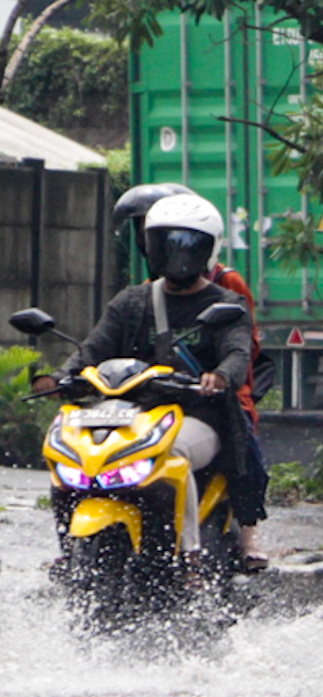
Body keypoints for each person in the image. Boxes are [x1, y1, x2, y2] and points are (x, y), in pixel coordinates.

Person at [35, 194, 255, 556]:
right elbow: (94, 348)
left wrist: (219, 376)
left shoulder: (226, 306)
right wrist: (61, 377)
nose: (176, 257)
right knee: (71, 456)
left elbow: (237, 352)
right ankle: (68, 552)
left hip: (195, 414)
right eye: (165, 245)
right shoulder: (131, 301)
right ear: (148, 247)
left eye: (187, 247)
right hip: (128, 412)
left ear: (208, 250)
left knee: (175, 456)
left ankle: (189, 558)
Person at [109, 183, 272, 568]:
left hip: (217, 390)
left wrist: (222, 378)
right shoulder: (143, 294)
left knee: (245, 450)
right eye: (151, 236)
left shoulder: (226, 286)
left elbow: (243, 345)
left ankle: (246, 534)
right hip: (153, 396)